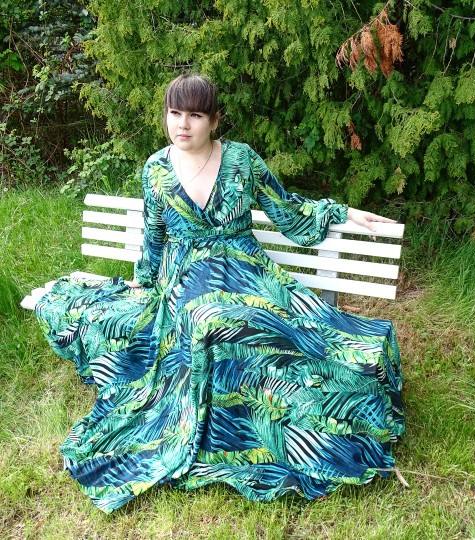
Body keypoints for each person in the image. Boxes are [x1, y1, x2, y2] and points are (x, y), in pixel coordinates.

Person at [35, 73, 405, 514]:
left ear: (214, 120)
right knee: (209, 322)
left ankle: (306, 412)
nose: (183, 124)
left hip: (247, 271)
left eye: (195, 115)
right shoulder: (155, 169)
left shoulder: (242, 160)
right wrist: (145, 283)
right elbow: (154, 235)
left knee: (281, 335)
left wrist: (344, 213)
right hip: (186, 278)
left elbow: (287, 210)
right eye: (175, 113)